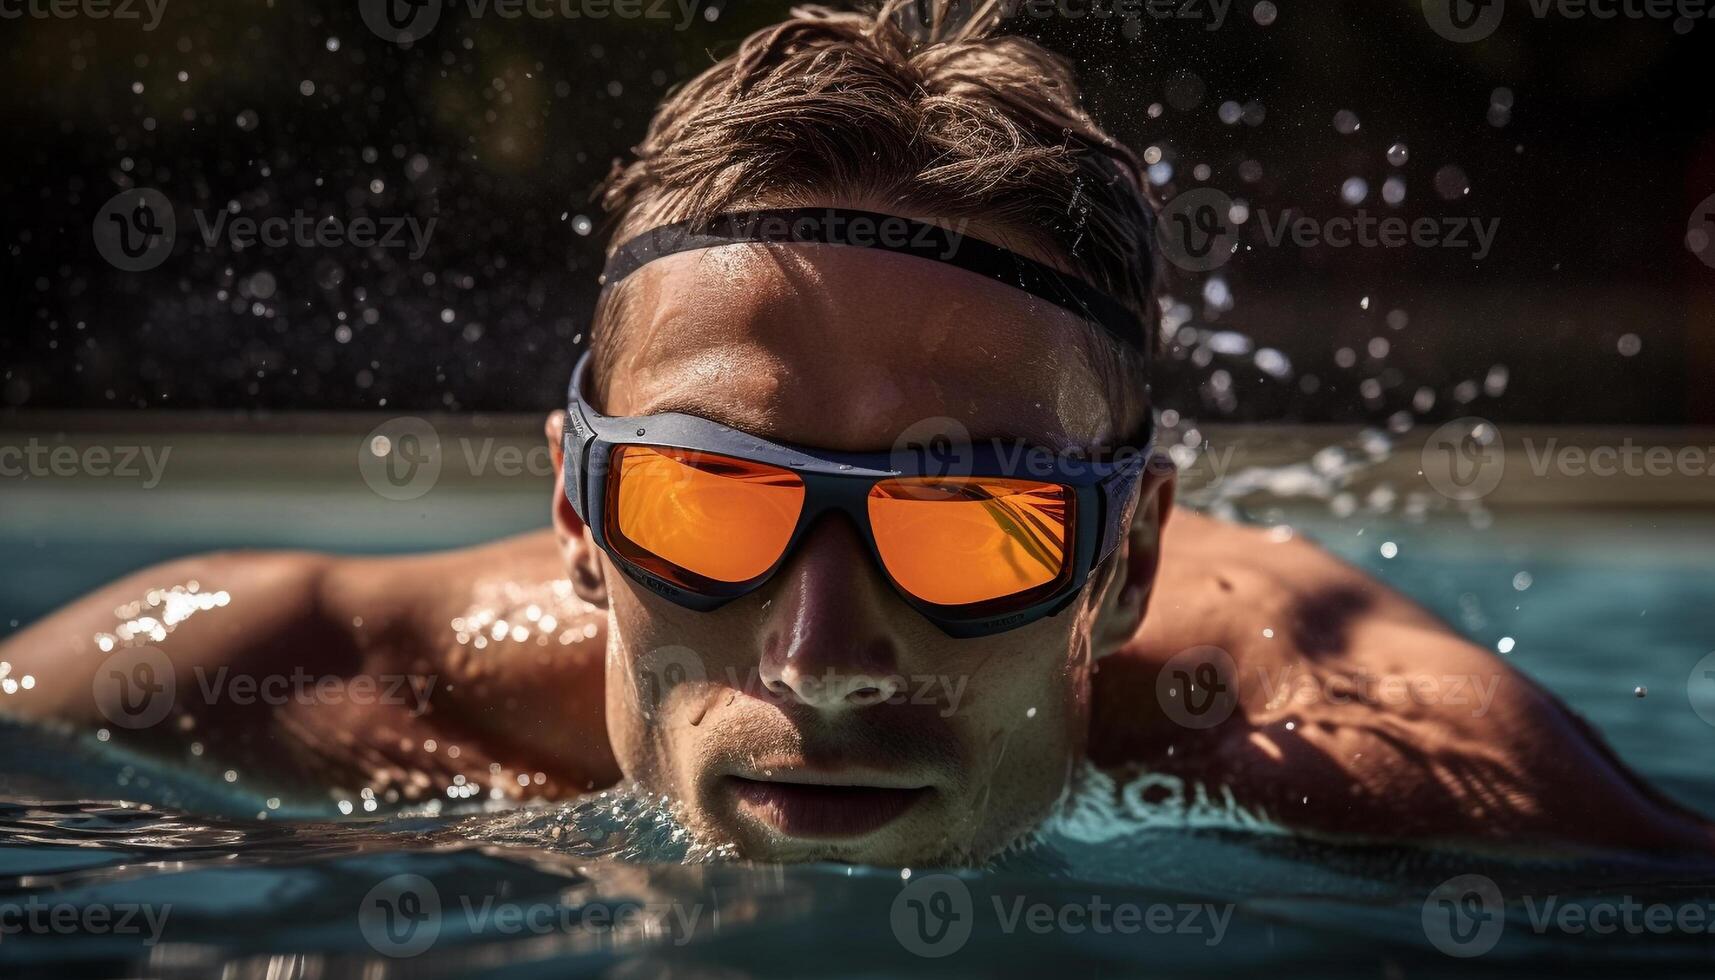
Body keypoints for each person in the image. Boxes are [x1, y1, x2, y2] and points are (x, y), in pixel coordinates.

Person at [4, 0, 1709, 866]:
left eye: (968, 516)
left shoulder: (1386, 758)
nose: (822, 660)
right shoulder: (278, 675)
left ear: (1125, 565)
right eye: (712, 498)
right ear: (580, 515)